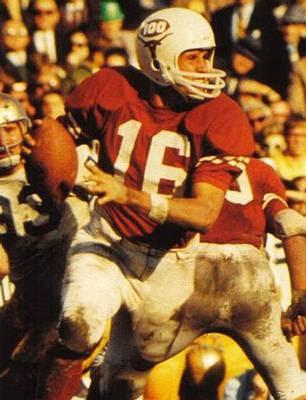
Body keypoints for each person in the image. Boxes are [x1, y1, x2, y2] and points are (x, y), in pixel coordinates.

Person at [28, 7, 256, 400]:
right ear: (157, 59)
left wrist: (128, 194)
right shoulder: (113, 87)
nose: (205, 67)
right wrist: (44, 162)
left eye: (208, 55)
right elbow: (58, 143)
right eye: (192, 57)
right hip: (107, 241)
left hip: (172, 263)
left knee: (122, 383)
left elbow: (203, 213)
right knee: (79, 325)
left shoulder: (222, 115)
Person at [197, 157, 306, 399]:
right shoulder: (259, 171)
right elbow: (292, 224)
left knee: (128, 373)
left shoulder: (191, 159)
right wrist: (302, 295)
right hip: (249, 279)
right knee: (291, 386)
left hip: (193, 275)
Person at [0, 93, 92, 399]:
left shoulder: (54, 158)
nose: (3, 140)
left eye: (9, 129)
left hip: (76, 294)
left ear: (24, 128)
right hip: (26, 301)